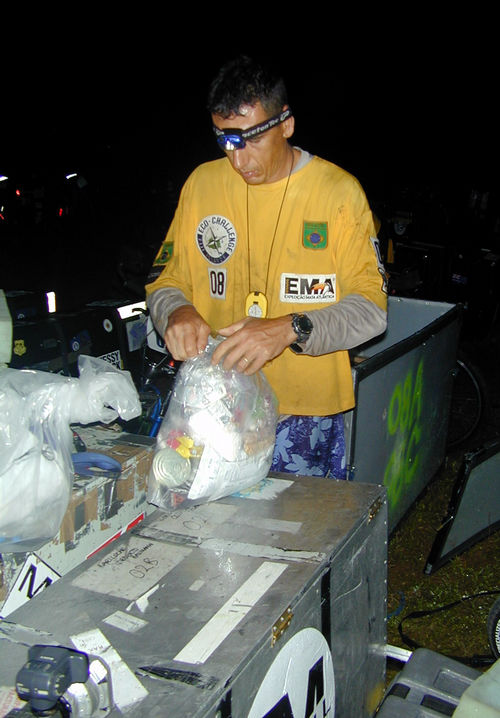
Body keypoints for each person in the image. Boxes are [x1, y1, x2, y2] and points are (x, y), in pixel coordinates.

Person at [146, 55, 387, 479]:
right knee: (204, 532)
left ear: (286, 123)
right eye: (225, 140)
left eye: (251, 139)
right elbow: (165, 281)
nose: (238, 160)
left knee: (295, 539)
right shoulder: (201, 184)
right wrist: (177, 311)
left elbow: (371, 310)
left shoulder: (339, 194)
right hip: (216, 403)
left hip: (303, 414)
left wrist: (289, 328)